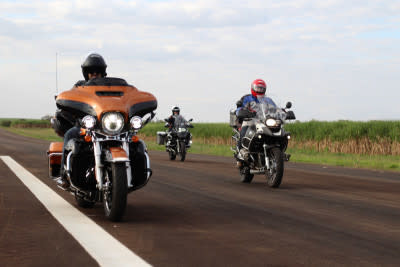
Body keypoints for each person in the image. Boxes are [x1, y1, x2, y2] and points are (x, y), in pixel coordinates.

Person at [52, 52, 107, 189]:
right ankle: (64, 175)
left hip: (105, 127)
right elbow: (70, 98)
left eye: (97, 71)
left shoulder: (109, 87)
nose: (94, 74)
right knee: (70, 134)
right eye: (91, 72)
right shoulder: (80, 87)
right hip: (84, 126)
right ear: (86, 73)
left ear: (102, 72)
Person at [235, 79, 277, 160]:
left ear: (265, 89)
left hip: (265, 121)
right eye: (258, 88)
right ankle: (242, 151)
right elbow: (239, 108)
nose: (260, 90)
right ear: (253, 88)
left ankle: (278, 151)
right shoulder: (247, 98)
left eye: (261, 88)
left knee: (276, 131)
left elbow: (275, 108)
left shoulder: (268, 100)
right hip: (250, 121)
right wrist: (241, 111)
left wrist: (282, 112)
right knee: (244, 131)